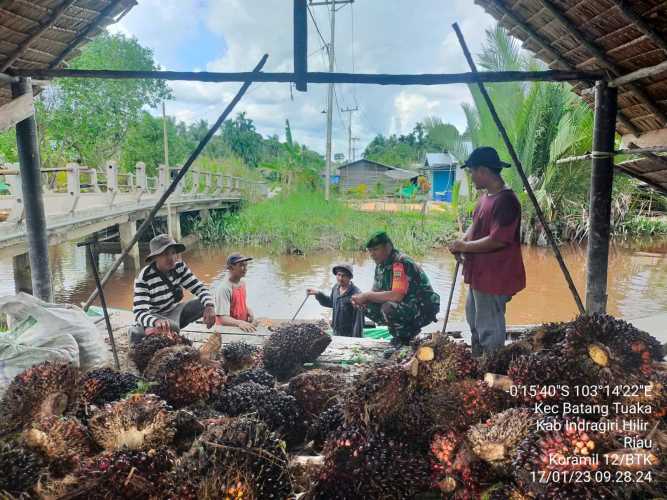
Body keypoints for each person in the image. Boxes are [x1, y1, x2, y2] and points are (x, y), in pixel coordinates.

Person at [448, 146, 526, 357]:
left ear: (483, 171)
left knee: (489, 327)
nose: (471, 176)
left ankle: (492, 365)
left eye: (472, 171)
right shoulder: (484, 199)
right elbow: (475, 227)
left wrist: (464, 247)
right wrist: (460, 242)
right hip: (479, 274)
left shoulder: (507, 201)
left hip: (495, 276)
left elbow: (498, 240)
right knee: (473, 318)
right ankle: (477, 361)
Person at [352, 231, 440, 346]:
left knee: (388, 307)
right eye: (370, 251)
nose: (372, 254)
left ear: (388, 247)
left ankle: (405, 338)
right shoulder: (381, 265)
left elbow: (397, 295)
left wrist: (367, 295)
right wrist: (361, 299)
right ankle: (397, 335)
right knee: (364, 305)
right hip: (406, 305)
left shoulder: (400, 262)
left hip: (423, 308)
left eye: (376, 249)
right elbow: (376, 292)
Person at [130, 234, 215, 344]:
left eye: (173, 253)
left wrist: (210, 306)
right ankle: (151, 330)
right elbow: (139, 312)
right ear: (155, 257)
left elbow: (200, 288)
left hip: (173, 311)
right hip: (154, 316)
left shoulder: (180, 267)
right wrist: (156, 321)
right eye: (165, 254)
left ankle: (167, 330)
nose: (171, 258)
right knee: (167, 330)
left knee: (203, 303)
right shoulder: (144, 278)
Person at [307, 263, 363, 337]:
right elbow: (331, 302)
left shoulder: (356, 294)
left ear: (350, 277)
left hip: (349, 335)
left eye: (343, 276)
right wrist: (318, 294)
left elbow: (358, 322)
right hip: (336, 331)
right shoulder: (336, 288)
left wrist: (355, 339)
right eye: (338, 275)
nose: (340, 278)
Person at [214, 253, 256, 332]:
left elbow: (238, 304)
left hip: (240, 326)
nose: (245, 268)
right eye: (241, 265)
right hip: (227, 330)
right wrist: (239, 323)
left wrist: (248, 310)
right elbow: (223, 319)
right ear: (230, 268)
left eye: (246, 265)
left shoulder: (242, 283)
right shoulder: (224, 288)